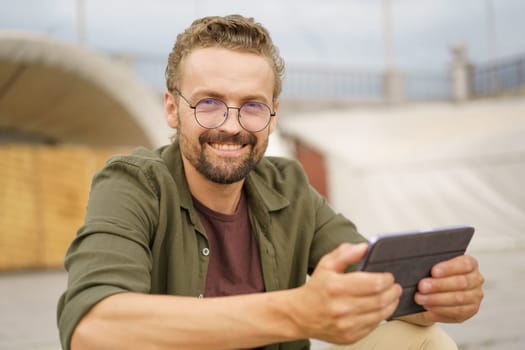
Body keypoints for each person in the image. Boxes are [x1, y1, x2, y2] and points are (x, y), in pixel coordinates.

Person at [57, 14, 484, 350]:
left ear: (273, 114)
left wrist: (436, 297)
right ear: (172, 109)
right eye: (209, 103)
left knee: (422, 340)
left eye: (252, 106)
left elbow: (369, 284)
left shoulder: (289, 185)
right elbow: (92, 330)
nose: (231, 126)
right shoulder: (133, 183)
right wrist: (295, 313)